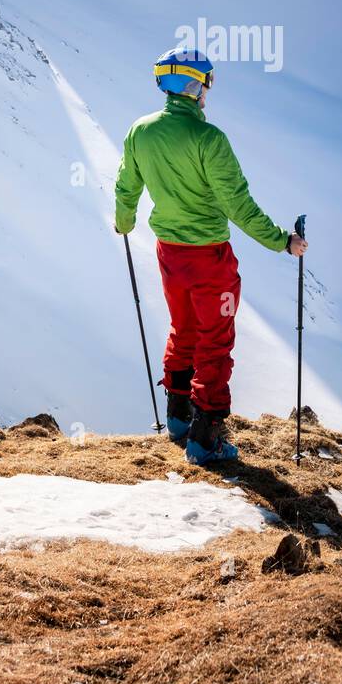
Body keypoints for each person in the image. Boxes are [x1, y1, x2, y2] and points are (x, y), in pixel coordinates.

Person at [114, 46, 307, 464]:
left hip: (168, 254)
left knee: (182, 330)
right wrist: (282, 241)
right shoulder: (209, 139)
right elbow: (238, 206)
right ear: (193, 85)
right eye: (207, 81)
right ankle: (206, 441)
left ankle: (179, 419)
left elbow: (127, 187)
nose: (209, 90)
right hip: (209, 258)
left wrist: (124, 222)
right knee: (215, 346)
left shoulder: (139, 132)